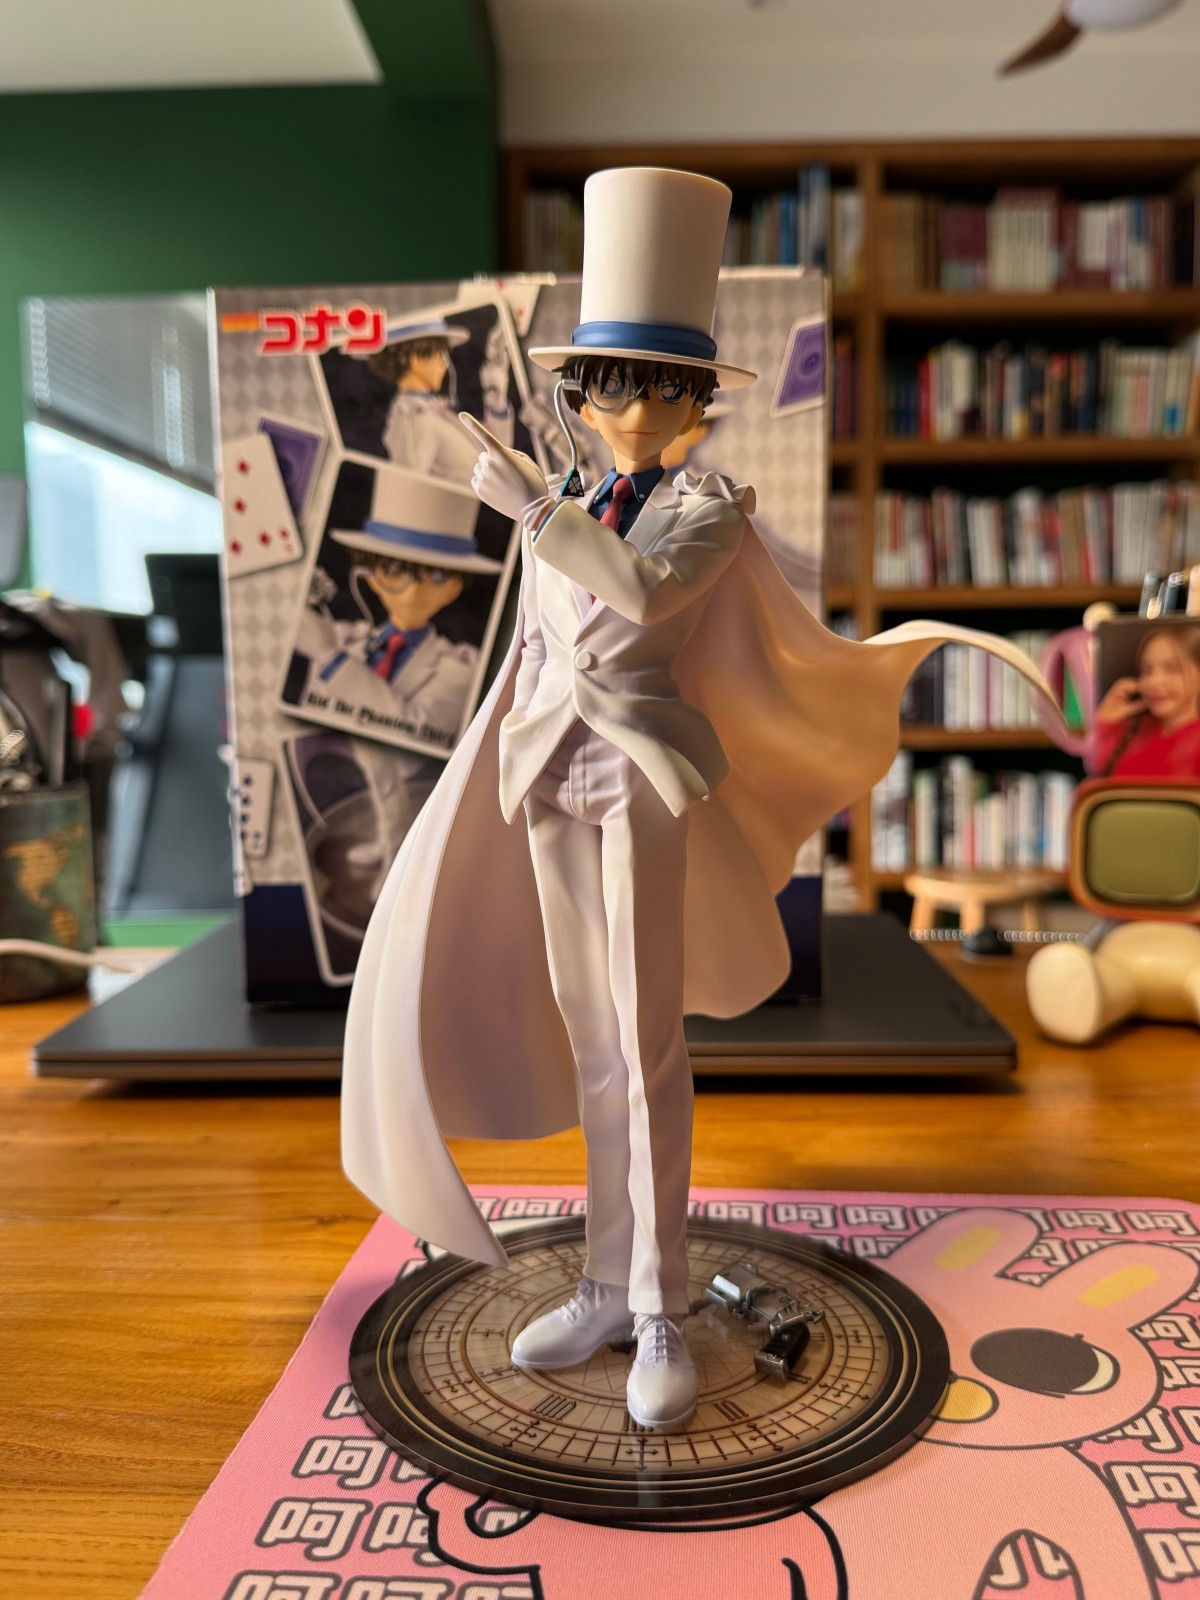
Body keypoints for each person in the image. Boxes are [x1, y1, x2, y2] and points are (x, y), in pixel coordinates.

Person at [341, 167, 1060, 1432]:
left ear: (695, 404)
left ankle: (664, 1300)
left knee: (647, 1041)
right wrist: (485, 763)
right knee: (590, 1037)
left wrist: (532, 510)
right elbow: (532, 647)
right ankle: (606, 1283)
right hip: (547, 775)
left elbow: (643, 596)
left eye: (665, 388)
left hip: (641, 777)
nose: (637, 411)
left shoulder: (706, 509)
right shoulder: (562, 507)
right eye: (613, 386)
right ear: (576, 394)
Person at [307, 464, 501, 750]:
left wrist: (331, 658)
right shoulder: (342, 637)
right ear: (371, 577)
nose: (413, 592)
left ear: (455, 588)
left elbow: (414, 732)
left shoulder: (463, 668)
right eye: (394, 570)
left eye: (437, 576)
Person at [367, 319, 480, 482]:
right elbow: (410, 485)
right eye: (439, 354)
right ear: (416, 359)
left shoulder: (430, 408)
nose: (444, 364)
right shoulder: (415, 418)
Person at [1093, 623, 1200, 778]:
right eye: (1147, 670)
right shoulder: (1131, 733)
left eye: (1172, 669)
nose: (1154, 682)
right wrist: (1105, 723)